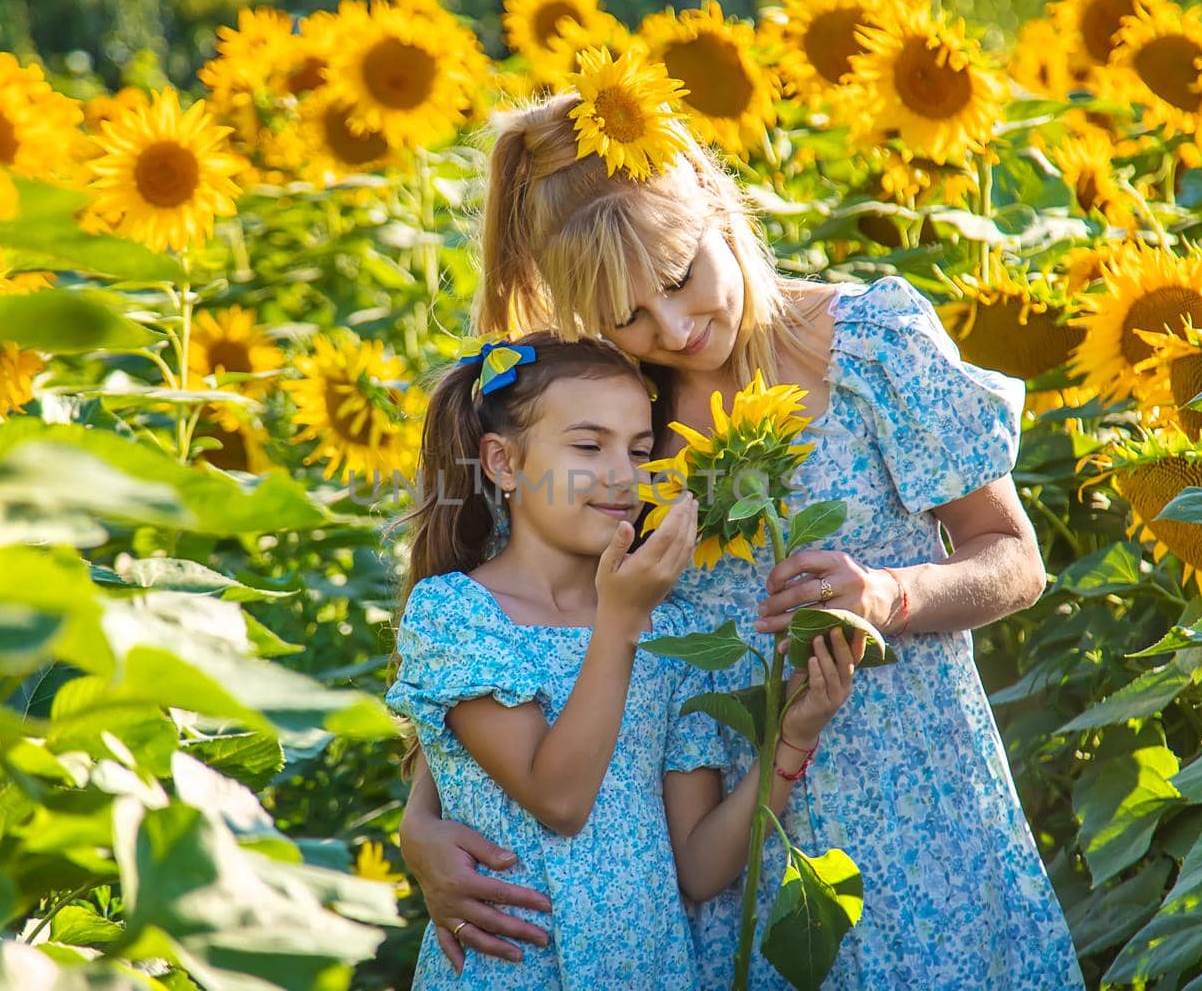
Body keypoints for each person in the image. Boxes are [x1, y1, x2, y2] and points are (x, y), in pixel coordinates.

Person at [398, 89, 1087, 990]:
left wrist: (889, 594)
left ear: (718, 209)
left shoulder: (873, 344)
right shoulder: (612, 412)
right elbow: (517, 612)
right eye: (628, 317)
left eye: (682, 278)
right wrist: (423, 817)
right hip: (707, 847)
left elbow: (1013, 557)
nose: (676, 330)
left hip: (916, 797)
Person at [388, 333, 864, 987]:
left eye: (640, 451)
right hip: (509, 974)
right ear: (502, 462)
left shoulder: (675, 633)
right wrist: (621, 618)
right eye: (588, 446)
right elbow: (559, 799)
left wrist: (794, 735)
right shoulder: (458, 614)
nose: (624, 476)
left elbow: (699, 868)